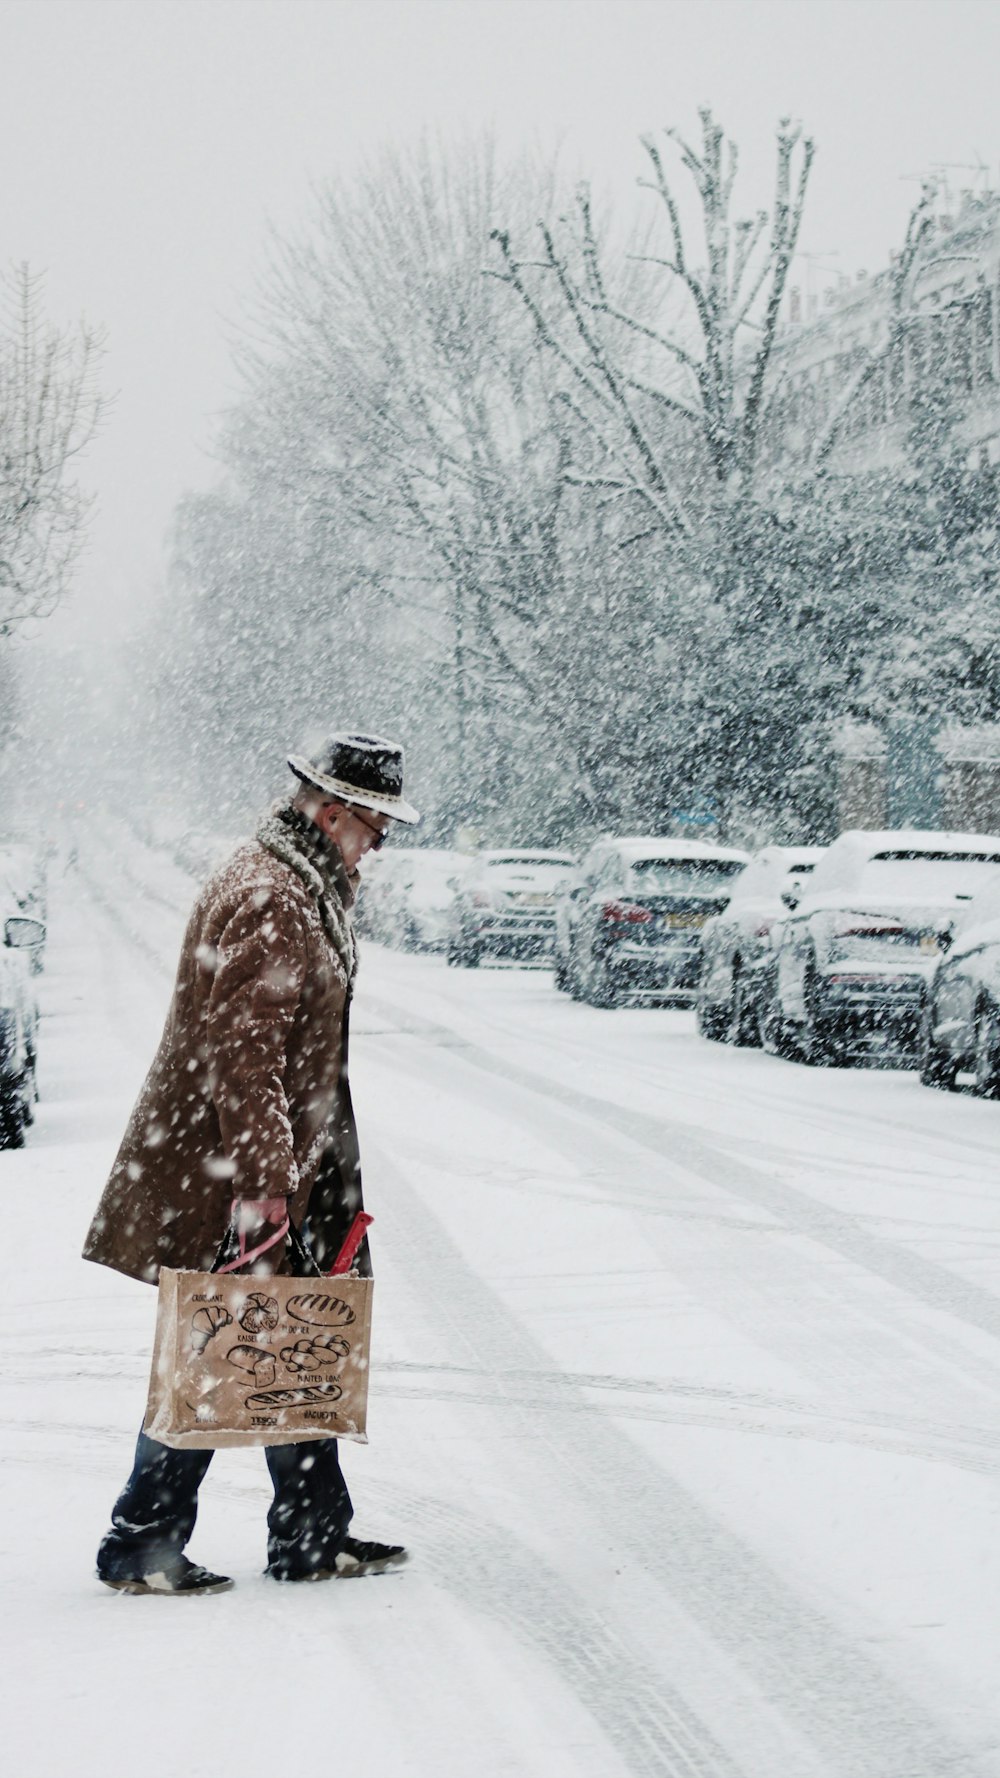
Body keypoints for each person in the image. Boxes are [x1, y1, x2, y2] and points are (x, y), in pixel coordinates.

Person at [83, 732, 420, 1595]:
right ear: (334, 810)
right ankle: (142, 1542)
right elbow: (246, 1053)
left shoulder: (297, 879)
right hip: (244, 1166)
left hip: (286, 1156)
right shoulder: (274, 893)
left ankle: (311, 1532)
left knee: (294, 1334)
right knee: (218, 1338)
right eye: (376, 824)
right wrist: (267, 1184)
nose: (380, 842)